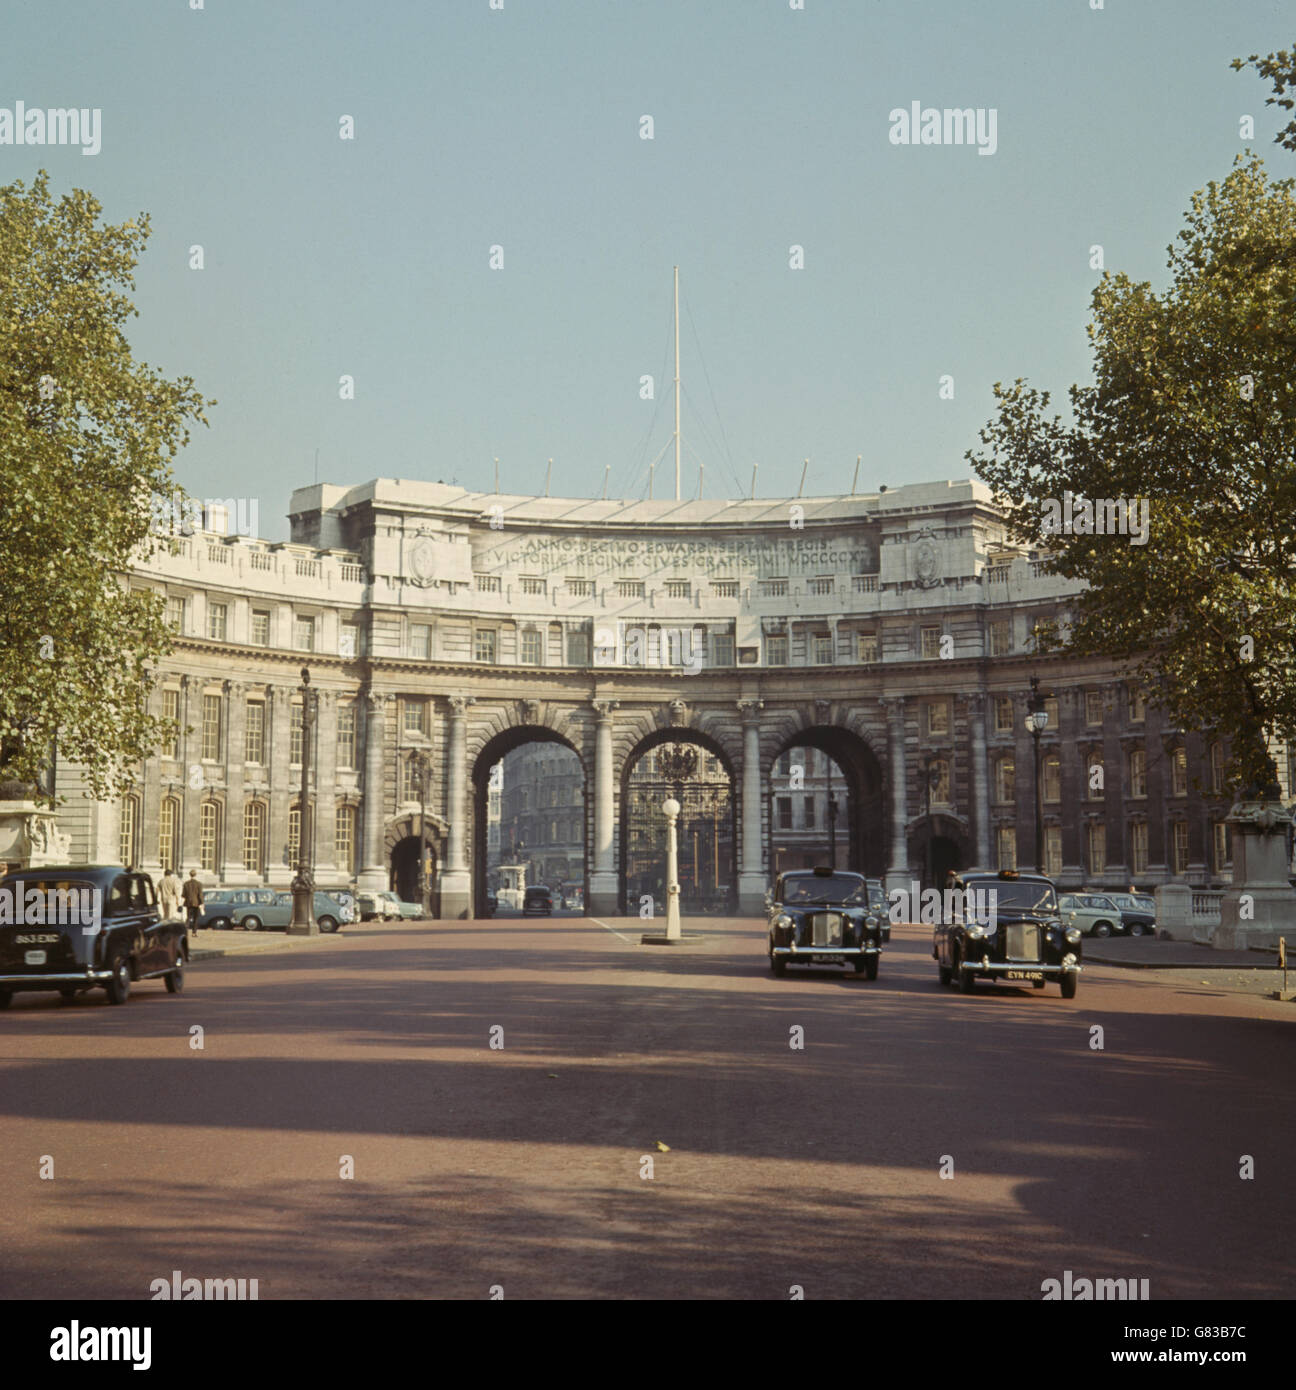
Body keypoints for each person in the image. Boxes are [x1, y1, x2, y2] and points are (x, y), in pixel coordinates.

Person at [181, 869, 204, 936]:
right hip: (196, 903)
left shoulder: (186, 884)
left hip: (188, 903)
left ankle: (185, 931)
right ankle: (194, 932)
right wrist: (202, 903)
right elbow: (200, 894)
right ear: (195, 875)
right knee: (196, 918)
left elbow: (183, 894)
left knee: (188, 918)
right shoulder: (199, 884)